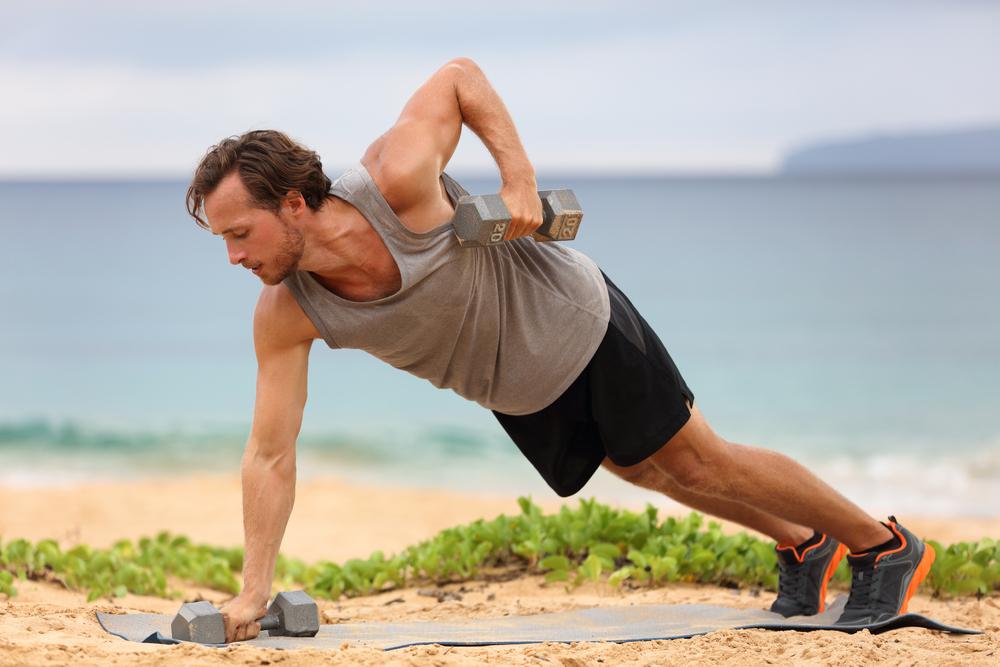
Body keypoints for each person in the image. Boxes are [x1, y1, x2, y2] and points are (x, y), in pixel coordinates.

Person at [184, 58, 934, 643]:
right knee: (645, 467)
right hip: (519, 386)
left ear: (291, 202)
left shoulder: (395, 180)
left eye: (238, 234)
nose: (232, 258)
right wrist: (256, 587)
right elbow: (270, 454)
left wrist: (519, 179)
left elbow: (459, 78)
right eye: (222, 241)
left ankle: (882, 544)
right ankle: (803, 545)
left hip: (576, 319)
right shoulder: (288, 313)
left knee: (701, 457)